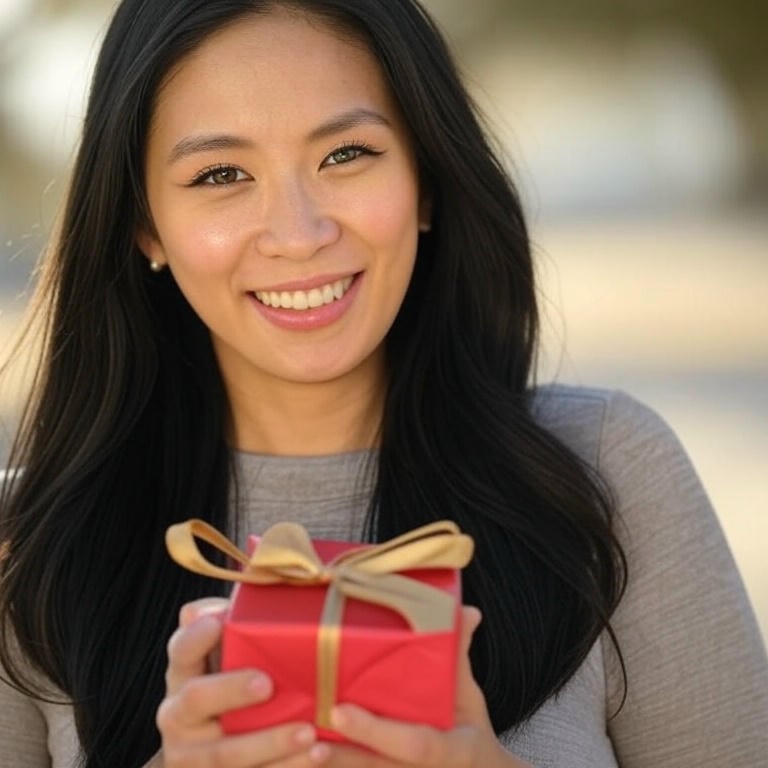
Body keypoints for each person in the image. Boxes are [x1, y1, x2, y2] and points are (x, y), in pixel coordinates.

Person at [0, 0, 766, 766]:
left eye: (346, 155)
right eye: (221, 174)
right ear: (145, 225)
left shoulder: (606, 469)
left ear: (425, 178)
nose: (299, 235)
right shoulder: (26, 547)